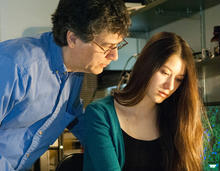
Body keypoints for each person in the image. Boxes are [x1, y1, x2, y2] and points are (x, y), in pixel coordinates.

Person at [0, 0, 130, 170]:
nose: (114, 56)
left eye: (118, 45)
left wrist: (112, 146)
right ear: (73, 38)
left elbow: (73, 114)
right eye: (107, 46)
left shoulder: (75, 73)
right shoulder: (16, 66)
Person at [83, 32, 207, 171]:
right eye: (165, 73)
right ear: (147, 66)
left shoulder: (177, 118)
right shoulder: (100, 115)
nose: (170, 86)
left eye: (178, 79)